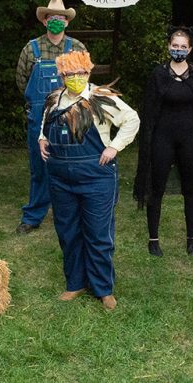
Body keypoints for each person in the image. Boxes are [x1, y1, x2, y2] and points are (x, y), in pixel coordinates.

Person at [37, 51, 139, 310]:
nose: (75, 78)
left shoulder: (99, 97)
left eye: (80, 73)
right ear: (61, 76)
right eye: (69, 74)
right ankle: (75, 283)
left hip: (96, 176)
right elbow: (44, 124)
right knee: (68, 230)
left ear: (88, 72)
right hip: (60, 178)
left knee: (97, 233)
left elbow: (132, 119)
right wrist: (41, 138)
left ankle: (103, 288)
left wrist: (114, 146)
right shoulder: (54, 99)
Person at [133, 25, 193, 257]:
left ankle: (192, 239)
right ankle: (153, 239)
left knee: (190, 188)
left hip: (189, 139)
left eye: (183, 46)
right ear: (169, 46)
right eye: (175, 45)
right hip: (162, 138)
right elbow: (148, 110)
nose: (178, 49)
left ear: (190, 49)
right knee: (156, 188)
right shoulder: (158, 74)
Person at [15, 0, 88, 235]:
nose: (56, 22)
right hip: (39, 115)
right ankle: (34, 215)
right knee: (40, 166)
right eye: (52, 18)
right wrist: (38, 105)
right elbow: (21, 81)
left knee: (73, 164)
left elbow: (85, 79)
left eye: (61, 18)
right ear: (45, 21)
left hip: (71, 113)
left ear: (66, 22)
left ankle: (72, 211)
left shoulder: (77, 48)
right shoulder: (31, 48)